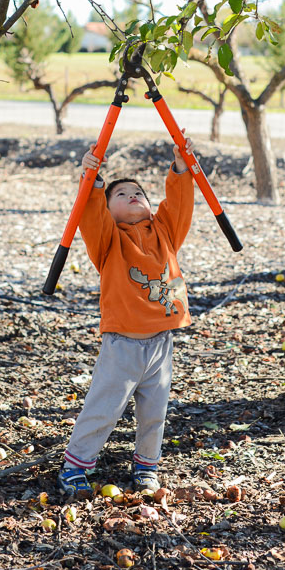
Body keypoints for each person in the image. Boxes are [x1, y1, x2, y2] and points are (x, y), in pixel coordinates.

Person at [57, 133, 195, 498]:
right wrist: (94, 180)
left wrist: (181, 165)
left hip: (161, 341)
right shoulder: (108, 241)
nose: (133, 195)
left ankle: (147, 466)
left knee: (155, 412)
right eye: (121, 194)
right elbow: (91, 216)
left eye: (139, 193)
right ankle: (75, 466)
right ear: (108, 208)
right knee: (104, 408)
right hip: (122, 343)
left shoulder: (165, 232)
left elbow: (179, 204)